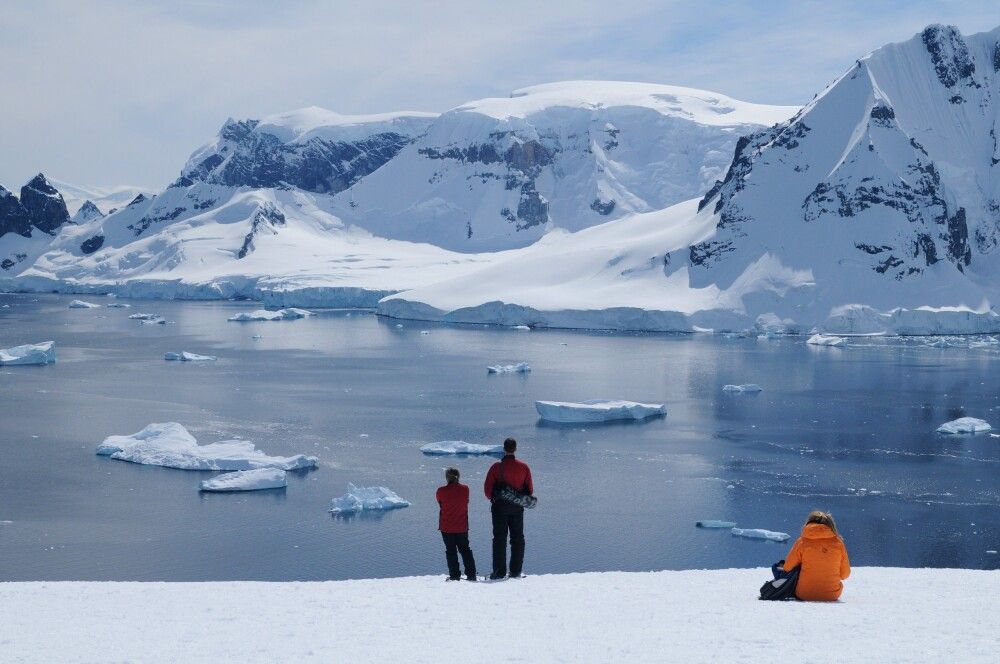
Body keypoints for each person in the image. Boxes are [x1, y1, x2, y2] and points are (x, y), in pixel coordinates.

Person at [483, 438, 534, 579]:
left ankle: (499, 572)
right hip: (517, 508)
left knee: (499, 539)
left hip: (499, 508)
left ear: (504, 449)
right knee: (518, 539)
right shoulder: (524, 467)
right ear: (515, 449)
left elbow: (487, 491)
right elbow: (529, 490)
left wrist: (496, 498)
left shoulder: (496, 467)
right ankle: (515, 571)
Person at [781, 511, 851, 601]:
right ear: (831, 525)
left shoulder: (802, 541)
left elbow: (787, 567)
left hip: (804, 594)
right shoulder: (838, 543)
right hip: (832, 595)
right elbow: (845, 574)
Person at [436, 467, 477, 581]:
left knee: (451, 551)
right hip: (462, 526)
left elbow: (440, 502)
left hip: (446, 527)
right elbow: (466, 501)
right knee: (465, 550)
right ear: (458, 476)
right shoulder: (465, 489)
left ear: (446, 477)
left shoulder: (441, 491)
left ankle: (454, 576)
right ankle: (471, 574)